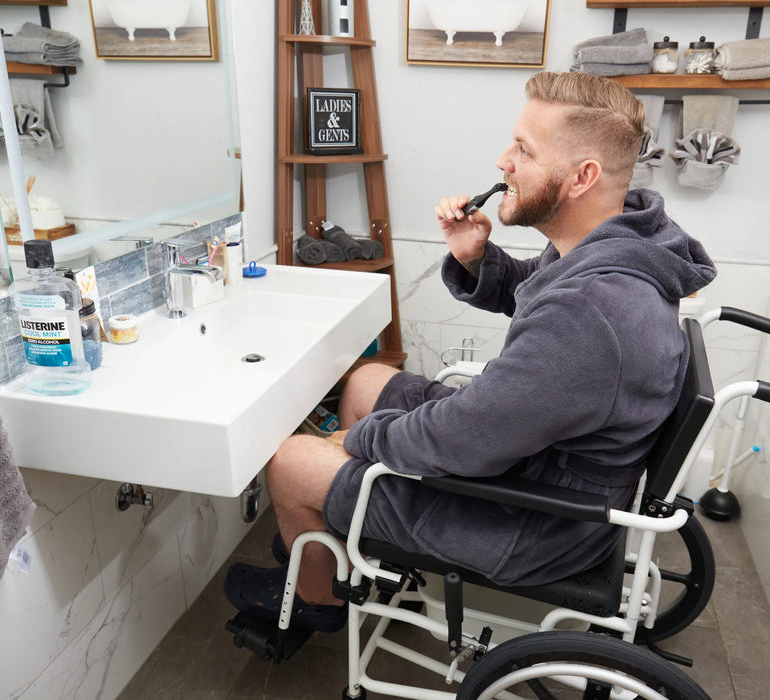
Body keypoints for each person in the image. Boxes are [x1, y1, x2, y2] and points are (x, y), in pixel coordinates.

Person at [224, 70, 716, 632]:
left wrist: (354, 441)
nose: (503, 161)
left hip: (531, 522)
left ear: (583, 176)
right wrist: (477, 256)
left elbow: (463, 440)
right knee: (365, 383)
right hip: (536, 464)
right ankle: (339, 542)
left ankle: (314, 603)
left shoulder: (592, 313)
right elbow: (537, 291)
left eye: (524, 150)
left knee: (290, 462)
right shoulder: (615, 244)